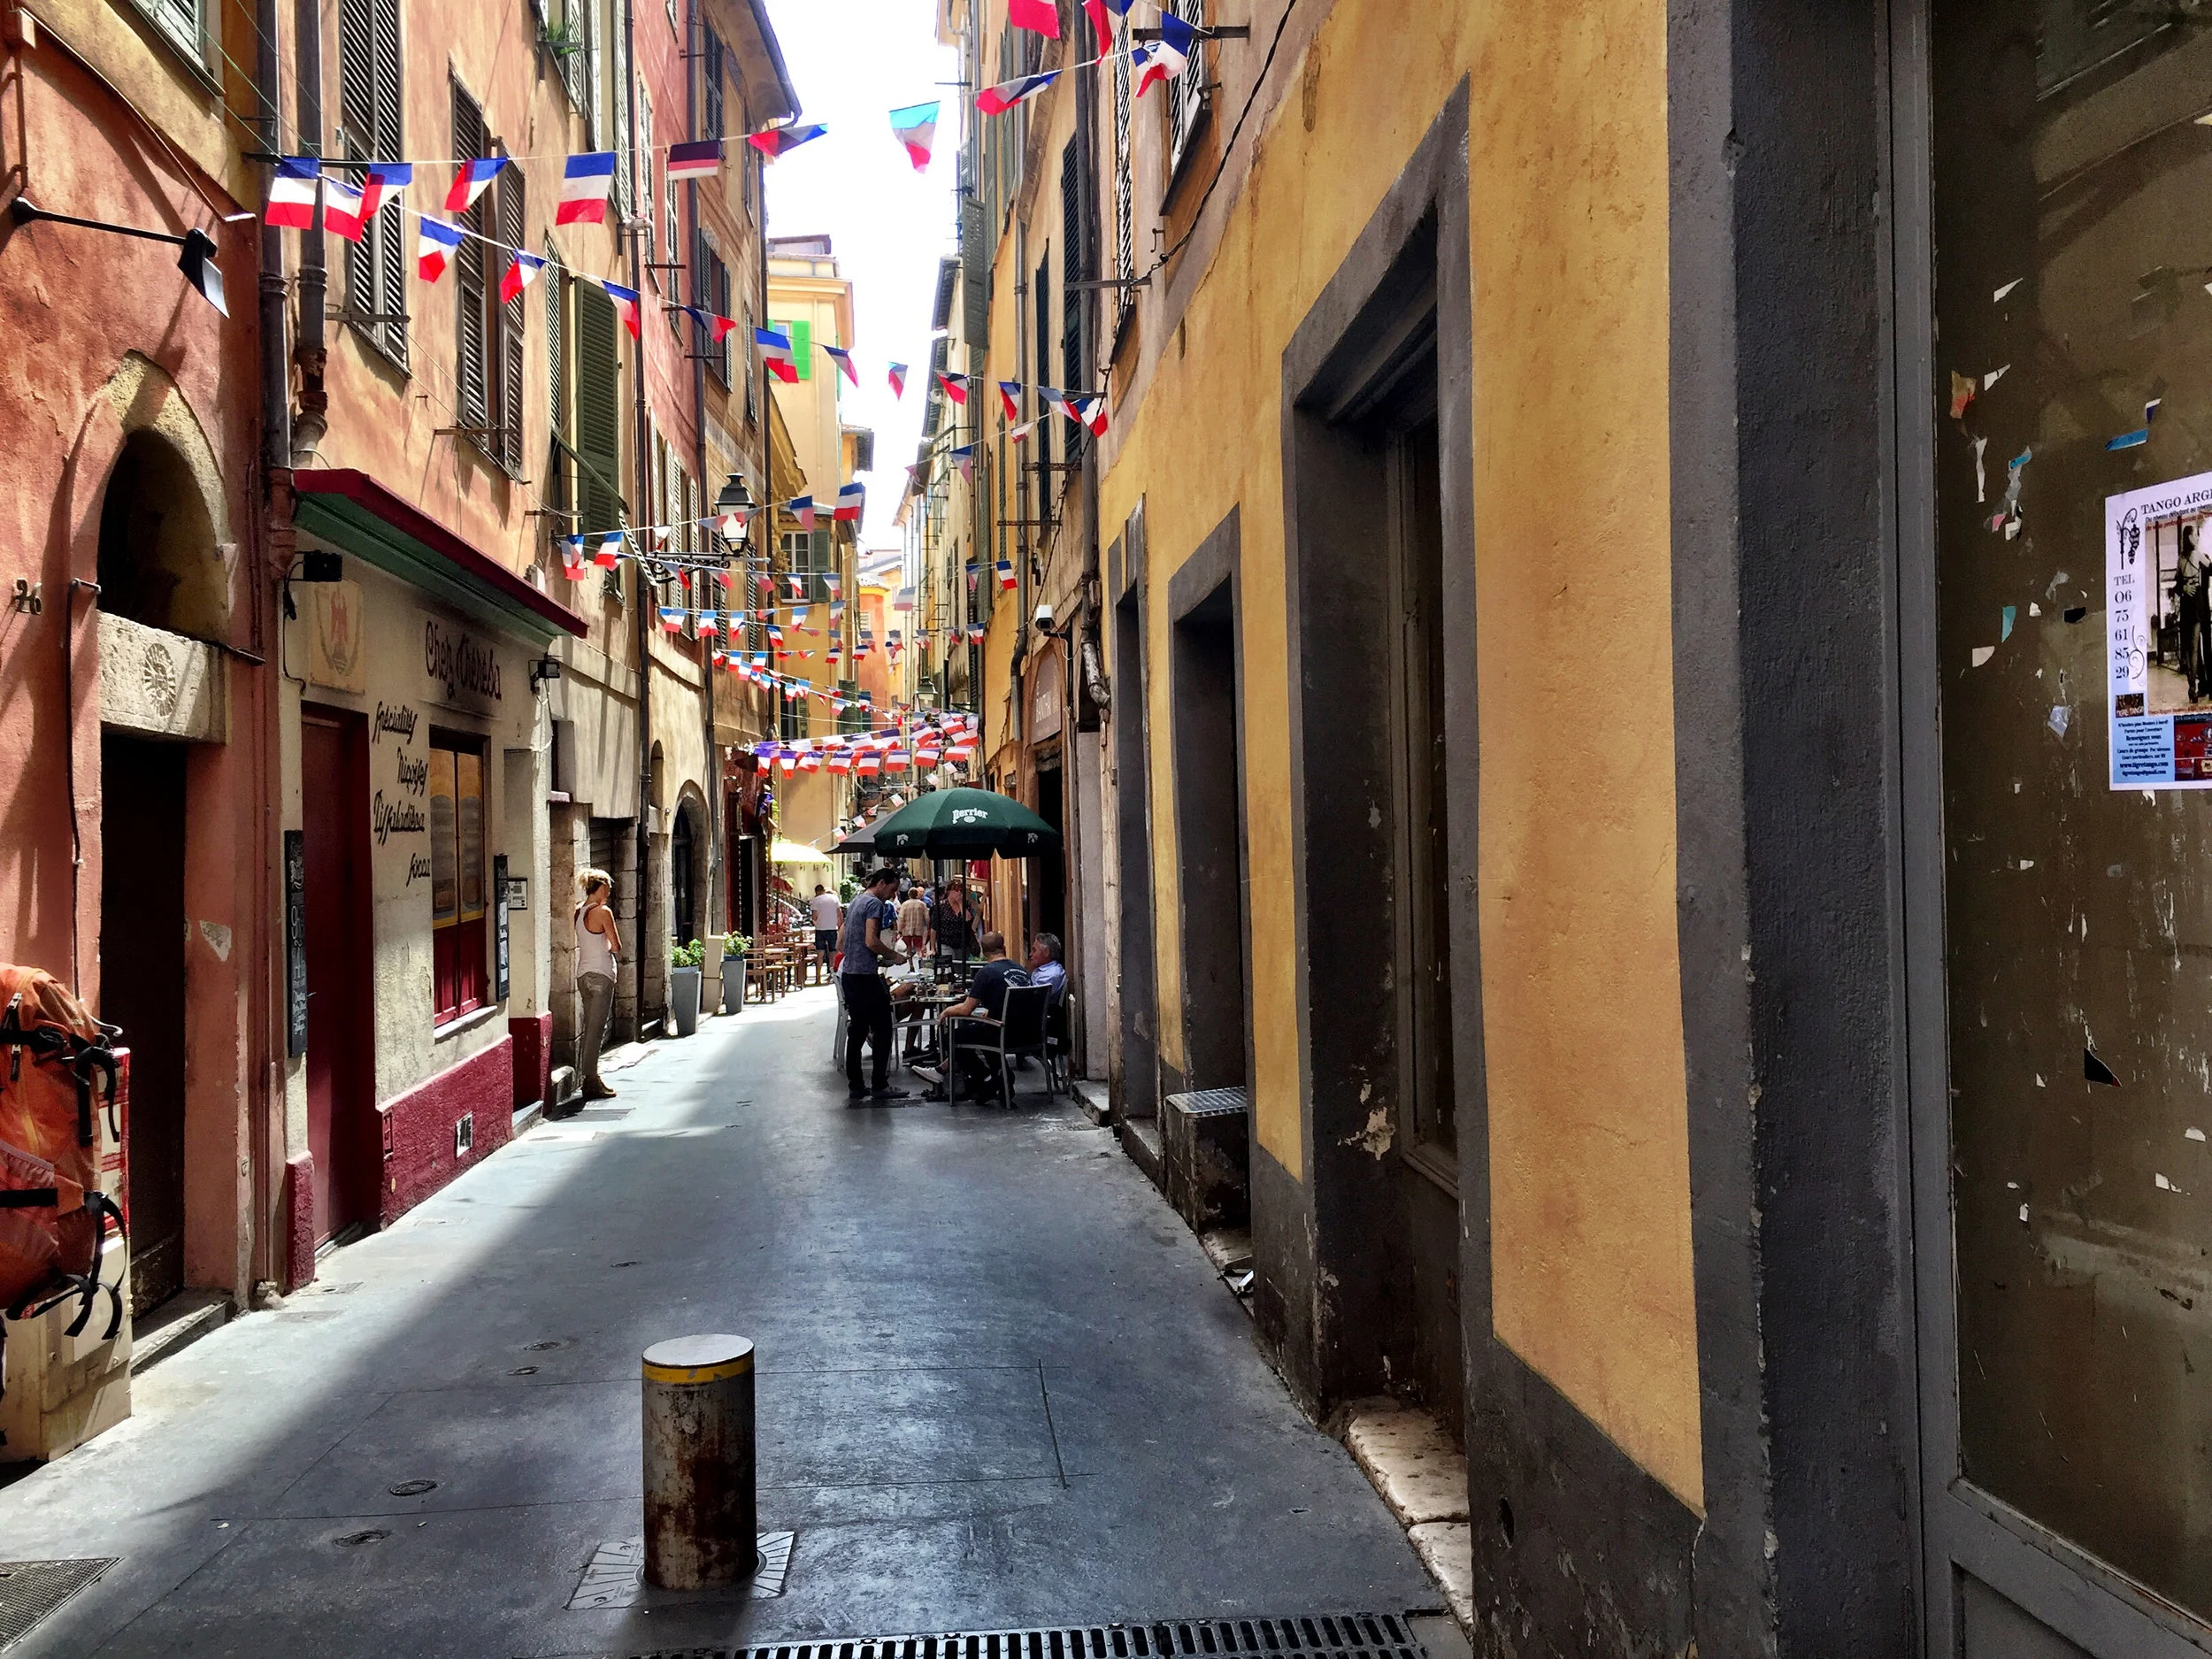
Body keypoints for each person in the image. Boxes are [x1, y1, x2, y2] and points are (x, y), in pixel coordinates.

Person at [927, 931, 1031, 1101]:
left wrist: (947, 1011)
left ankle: (981, 1075)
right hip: (1026, 1033)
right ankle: (1000, 1077)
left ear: (983, 951)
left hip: (1001, 1033)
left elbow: (966, 1010)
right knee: (982, 1029)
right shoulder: (1021, 969)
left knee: (951, 1037)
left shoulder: (986, 973)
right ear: (1004, 948)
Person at [840, 867, 910, 1102]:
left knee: (858, 1030)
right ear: (881, 883)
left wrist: (862, 954)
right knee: (883, 1027)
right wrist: (893, 955)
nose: (892, 895)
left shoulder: (857, 901)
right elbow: (871, 940)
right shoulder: (874, 904)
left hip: (850, 974)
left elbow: (841, 941)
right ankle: (879, 1083)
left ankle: (856, 1085)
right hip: (865, 976)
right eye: (892, 889)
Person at [573, 869, 621, 1103]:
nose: (609, 893)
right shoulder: (603, 912)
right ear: (601, 888)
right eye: (608, 889)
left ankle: (589, 1076)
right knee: (596, 1029)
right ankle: (590, 1079)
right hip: (601, 973)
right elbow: (616, 945)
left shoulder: (579, 911)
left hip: (583, 974)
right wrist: (608, 948)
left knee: (589, 1027)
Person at [928, 881, 979, 964]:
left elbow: (968, 920)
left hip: (962, 943)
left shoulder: (966, 904)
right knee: (949, 964)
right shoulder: (941, 906)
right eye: (956, 890)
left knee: (961, 967)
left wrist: (961, 904)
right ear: (949, 892)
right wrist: (933, 948)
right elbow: (934, 928)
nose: (959, 893)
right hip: (945, 942)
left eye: (961, 891)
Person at [1026, 932, 1067, 1003]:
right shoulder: (1044, 969)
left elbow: (1032, 997)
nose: (1030, 954)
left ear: (1046, 952)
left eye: (1034, 950)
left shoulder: (1053, 973)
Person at [896, 879, 932, 958]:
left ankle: (911, 964)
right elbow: (927, 917)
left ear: (909, 894)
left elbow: (901, 918)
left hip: (907, 930)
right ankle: (920, 961)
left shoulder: (904, 904)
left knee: (908, 948)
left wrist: (900, 931)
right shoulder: (922, 904)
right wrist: (928, 927)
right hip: (918, 930)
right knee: (919, 948)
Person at [809, 884, 841, 968]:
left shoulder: (816, 900)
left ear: (816, 892)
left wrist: (817, 923)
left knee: (820, 954)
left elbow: (814, 917)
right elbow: (839, 913)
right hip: (832, 928)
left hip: (820, 929)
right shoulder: (834, 898)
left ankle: (818, 974)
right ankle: (832, 972)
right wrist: (839, 925)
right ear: (823, 890)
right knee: (833, 953)